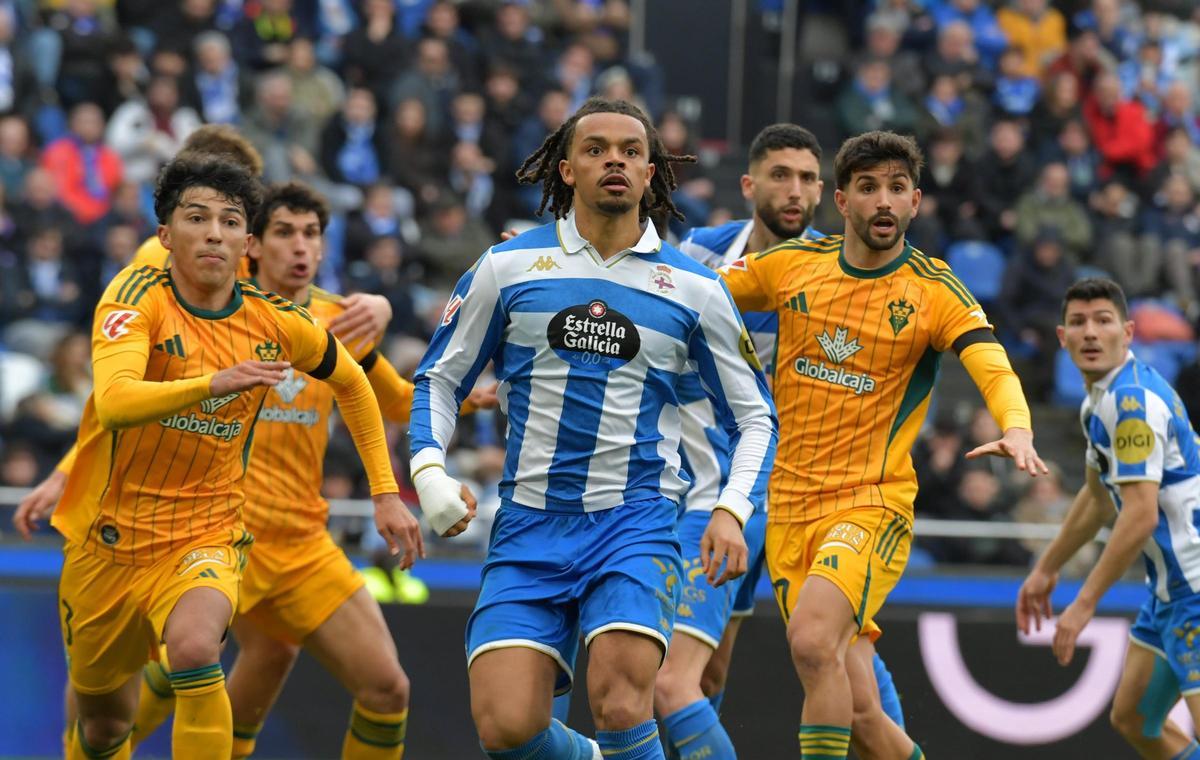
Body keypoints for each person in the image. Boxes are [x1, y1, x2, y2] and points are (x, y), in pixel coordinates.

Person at [410, 97, 777, 760]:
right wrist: (429, 470)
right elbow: (439, 378)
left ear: (650, 173)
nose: (615, 160)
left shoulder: (694, 288)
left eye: (632, 151)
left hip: (635, 523)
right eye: (596, 148)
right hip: (528, 525)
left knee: (621, 702)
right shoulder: (506, 267)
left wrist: (731, 506)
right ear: (566, 168)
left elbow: (754, 415)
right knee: (505, 729)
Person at [43, 155, 421, 759]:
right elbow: (113, 403)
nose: (214, 233)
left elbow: (357, 384)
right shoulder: (134, 295)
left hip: (209, 532)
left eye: (229, 221)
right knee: (105, 725)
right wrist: (213, 384)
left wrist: (385, 492)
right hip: (108, 542)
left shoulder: (285, 322)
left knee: (200, 650)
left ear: (244, 241)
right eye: (196, 218)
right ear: (166, 235)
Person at [124, 181, 495, 757]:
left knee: (387, 689)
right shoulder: (217, 307)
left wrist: (472, 398)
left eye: (311, 234)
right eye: (284, 232)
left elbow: (395, 400)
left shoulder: (335, 320)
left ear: (323, 247)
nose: (299, 246)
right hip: (221, 534)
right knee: (188, 664)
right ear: (254, 245)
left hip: (302, 542)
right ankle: (104, 745)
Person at [719, 130, 1046, 759]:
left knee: (812, 641)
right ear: (842, 201)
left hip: (870, 504)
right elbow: (698, 289)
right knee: (863, 713)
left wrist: (1017, 426)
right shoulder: (793, 265)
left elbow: (991, 363)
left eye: (897, 188)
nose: (884, 201)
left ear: (916, 201)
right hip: (788, 507)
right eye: (868, 188)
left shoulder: (933, 289)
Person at [664, 124, 905, 758]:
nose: (794, 191)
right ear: (749, 186)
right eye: (780, 176)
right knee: (703, 676)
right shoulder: (702, 254)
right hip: (728, 492)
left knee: (858, 693)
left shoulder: (841, 271)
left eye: (806, 179)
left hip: (811, 499)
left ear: (824, 193)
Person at [1017, 278, 1200, 759]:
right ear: (1063, 338)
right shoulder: (1099, 400)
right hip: (1171, 589)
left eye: (1103, 321)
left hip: (1196, 587)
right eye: (1078, 323)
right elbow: (1097, 498)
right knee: (1135, 718)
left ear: (1128, 332)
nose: (1091, 333)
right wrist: (1047, 567)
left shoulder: (1130, 403)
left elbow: (1139, 516)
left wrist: (1083, 603)